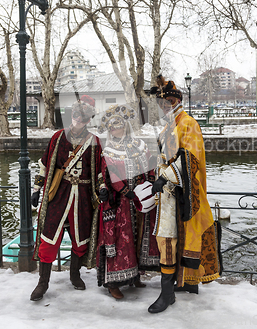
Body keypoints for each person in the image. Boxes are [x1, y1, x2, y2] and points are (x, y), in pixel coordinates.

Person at [147, 75, 222, 314]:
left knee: (168, 240)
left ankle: (167, 294)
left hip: (178, 193)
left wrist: (165, 176)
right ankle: (175, 285)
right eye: (161, 104)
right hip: (167, 194)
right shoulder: (169, 125)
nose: (162, 108)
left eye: (165, 103)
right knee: (167, 240)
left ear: (173, 101)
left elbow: (190, 158)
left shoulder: (188, 123)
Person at [29, 95, 102, 301]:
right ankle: (42, 283)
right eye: (77, 114)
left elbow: (99, 171)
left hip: (83, 199)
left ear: (89, 119)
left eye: (84, 117)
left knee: (81, 240)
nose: (79, 119)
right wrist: (36, 188)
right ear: (73, 115)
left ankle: (75, 274)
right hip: (59, 196)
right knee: (49, 238)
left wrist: (102, 188)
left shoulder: (94, 141)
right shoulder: (58, 137)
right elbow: (45, 163)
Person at [95, 104, 160, 299]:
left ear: (126, 126)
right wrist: (126, 191)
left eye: (119, 125)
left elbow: (149, 165)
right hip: (119, 202)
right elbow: (109, 175)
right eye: (112, 127)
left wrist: (148, 183)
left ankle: (135, 276)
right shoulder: (108, 150)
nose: (116, 129)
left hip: (140, 199)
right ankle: (113, 282)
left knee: (138, 238)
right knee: (119, 241)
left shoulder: (140, 145)